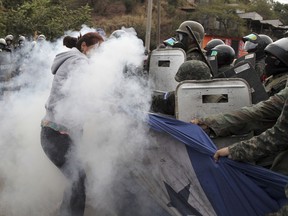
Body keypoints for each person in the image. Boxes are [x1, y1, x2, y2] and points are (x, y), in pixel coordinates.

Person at [40, 32, 104, 216]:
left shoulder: (72, 59)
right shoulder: (78, 62)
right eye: (95, 49)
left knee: (76, 179)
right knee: (78, 179)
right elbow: (85, 94)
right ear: (84, 46)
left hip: (55, 132)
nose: (98, 55)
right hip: (57, 134)